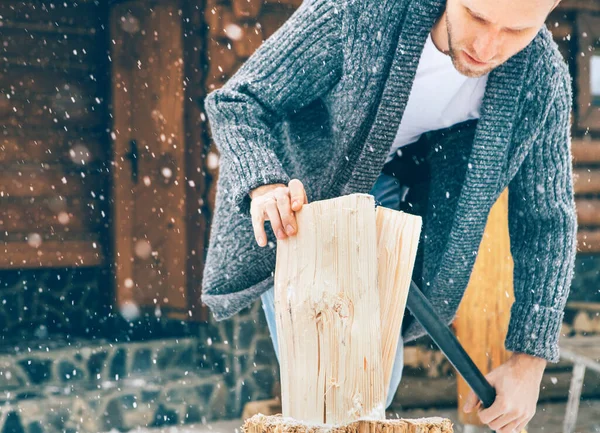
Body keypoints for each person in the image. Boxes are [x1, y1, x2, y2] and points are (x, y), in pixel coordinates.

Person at [201, 0, 578, 431]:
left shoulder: (539, 77)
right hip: (303, 201)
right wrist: (263, 183)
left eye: (516, 31)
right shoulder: (360, 11)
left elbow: (546, 221)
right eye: (477, 17)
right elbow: (239, 102)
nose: (489, 46)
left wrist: (527, 363)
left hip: (394, 204)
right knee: (333, 388)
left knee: (374, 385)